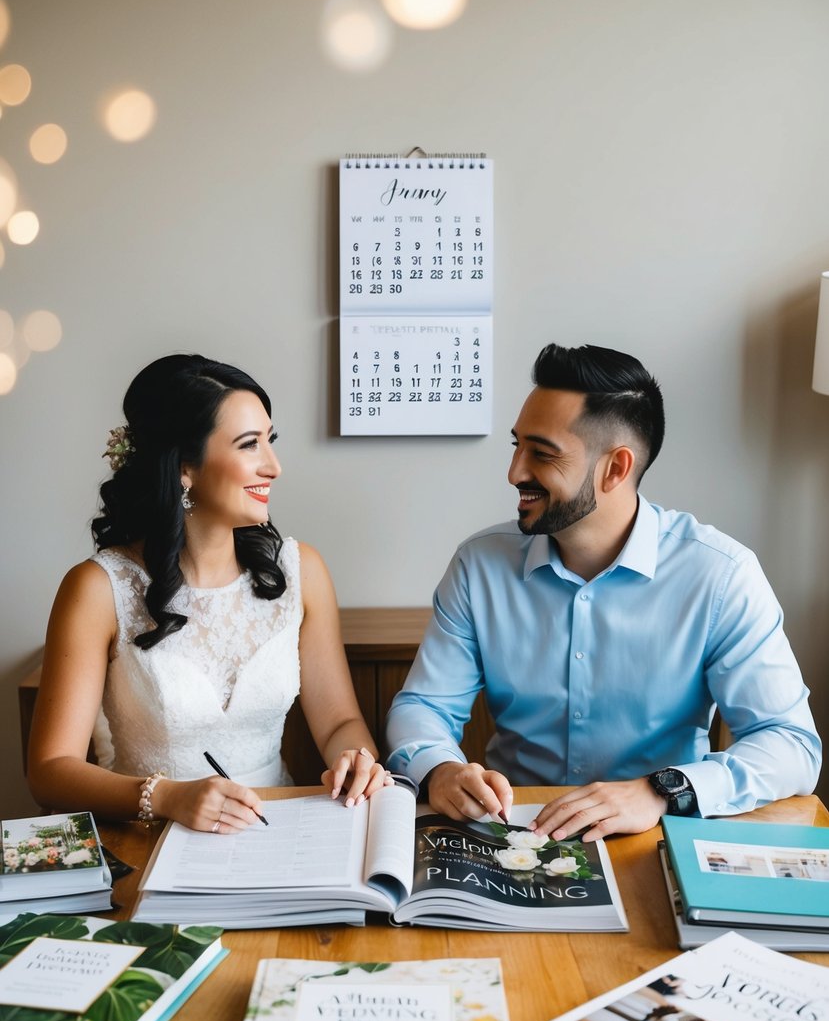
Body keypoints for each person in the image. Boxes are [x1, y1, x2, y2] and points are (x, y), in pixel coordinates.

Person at [385, 343, 821, 839]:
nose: (515, 473)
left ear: (615, 468)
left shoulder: (721, 576)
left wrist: (660, 790)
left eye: (542, 454)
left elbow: (790, 744)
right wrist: (441, 768)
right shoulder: (478, 565)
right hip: (512, 834)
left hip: (659, 836)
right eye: (516, 446)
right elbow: (423, 707)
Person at [28, 353, 390, 833]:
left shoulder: (302, 570)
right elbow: (50, 770)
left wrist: (357, 758)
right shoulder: (97, 587)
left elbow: (339, 720)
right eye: (249, 445)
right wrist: (168, 797)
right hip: (147, 838)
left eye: (270, 441)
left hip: (273, 830)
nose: (274, 466)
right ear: (184, 468)